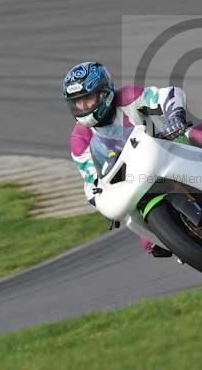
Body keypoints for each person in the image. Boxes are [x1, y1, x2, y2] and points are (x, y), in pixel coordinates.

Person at [63, 61, 189, 257]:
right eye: (77, 102)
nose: (83, 106)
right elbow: (90, 183)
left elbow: (168, 93)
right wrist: (103, 202)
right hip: (134, 182)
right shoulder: (79, 140)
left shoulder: (128, 98)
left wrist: (175, 115)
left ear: (103, 92)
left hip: (170, 149)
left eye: (87, 98)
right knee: (150, 241)